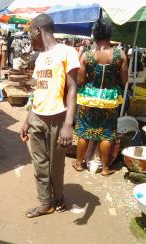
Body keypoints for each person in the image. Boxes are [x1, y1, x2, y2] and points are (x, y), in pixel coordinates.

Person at [21, 14, 80, 218]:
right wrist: (27, 119)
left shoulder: (67, 51)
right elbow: (38, 91)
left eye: (30, 32)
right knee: (40, 164)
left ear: (38, 29)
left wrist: (68, 124)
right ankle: (46, 202)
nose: (30, 36)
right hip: (37, 116)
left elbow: (73, 89)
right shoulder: (40, 58)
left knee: (56, 165)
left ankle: (59, 196)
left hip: (58, 117)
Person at [74, 19, 128, 176]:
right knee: (107, 132)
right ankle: (104, 168)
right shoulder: (120, 54)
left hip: (89, 98)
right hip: (110, 98)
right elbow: (125, 81)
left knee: (84, 131)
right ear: (110, 34)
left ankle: (79, 163)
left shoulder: (87, 55)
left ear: (94, 34)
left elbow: (81, 80)